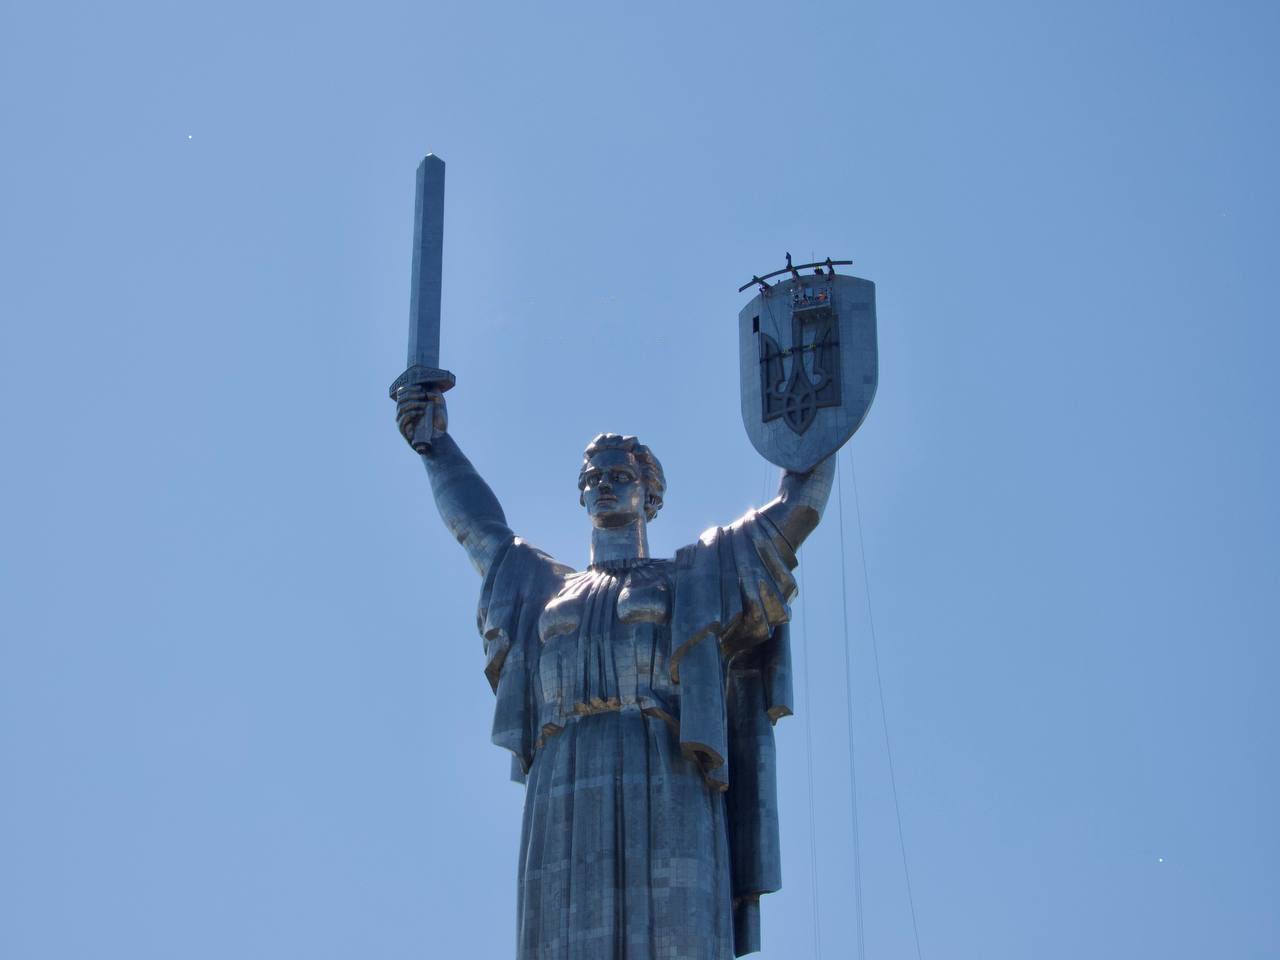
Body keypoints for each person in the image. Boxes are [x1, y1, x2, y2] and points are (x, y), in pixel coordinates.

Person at [394, 385, 834, 959]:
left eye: (619, 476)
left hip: (666, 767)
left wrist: (820, 420)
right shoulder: (542, 588)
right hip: (564, 778)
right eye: (592, 479)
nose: (602, 485)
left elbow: (792, 518)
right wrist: (435, 445)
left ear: (651, 495)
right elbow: (478, 528)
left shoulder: (695, 575)